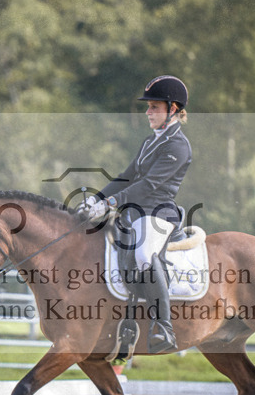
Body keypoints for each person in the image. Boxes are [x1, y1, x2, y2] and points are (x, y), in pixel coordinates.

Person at [77, 75, 192, 353]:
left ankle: (164, 327)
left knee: (144, 255)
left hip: (159, 213)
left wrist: (111, 202)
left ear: (172, 109)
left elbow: (150, 184)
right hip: (135, 212)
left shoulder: (178, 146)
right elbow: (126, 177)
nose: (148, 112)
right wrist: (96, 198)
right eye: (148, 107)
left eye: (154, 107)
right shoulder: (150, 142)